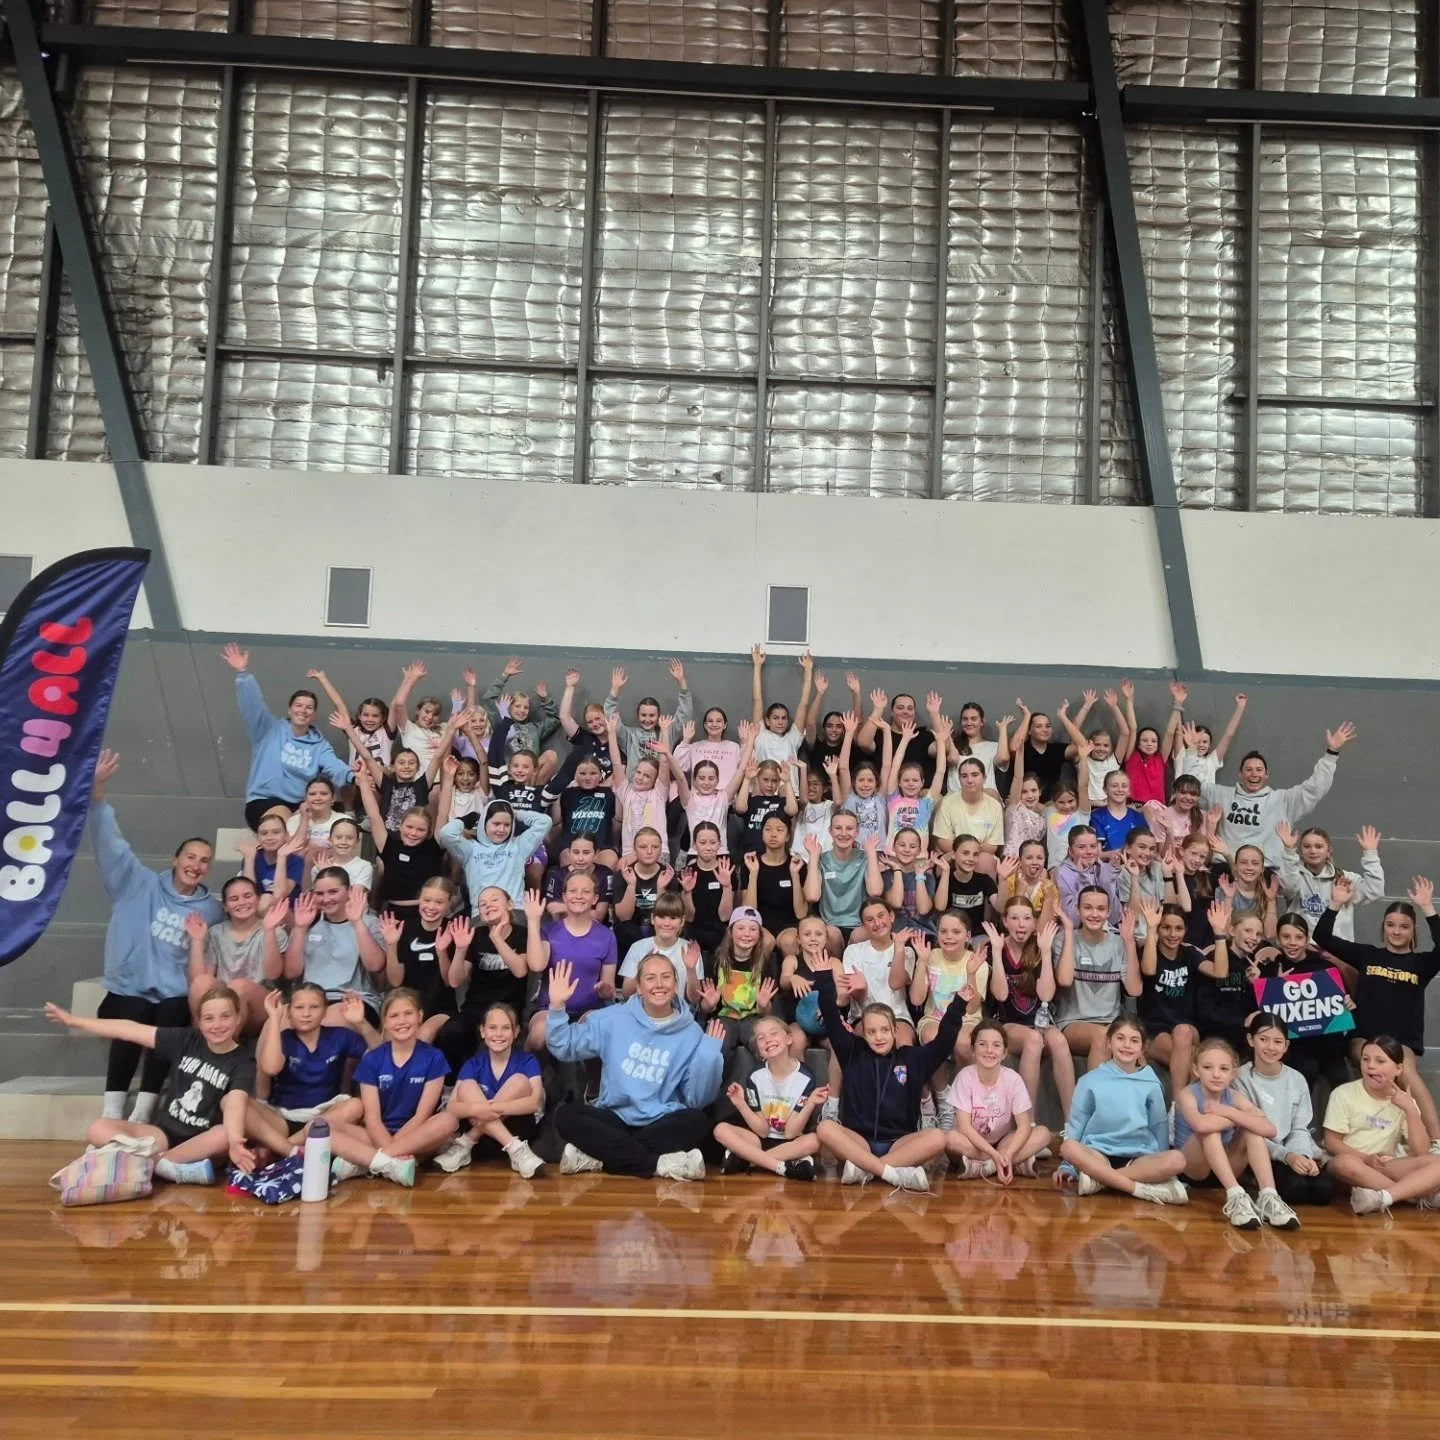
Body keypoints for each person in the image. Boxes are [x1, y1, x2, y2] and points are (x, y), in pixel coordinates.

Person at [86, 749, 222, 1123]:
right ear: (175, 859)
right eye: (190, 857)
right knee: (133, 1014)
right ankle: (113, 1109)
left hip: (171, 998)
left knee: (171, 1018)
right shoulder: (137, 884)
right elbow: (111, 844)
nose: (196, 865)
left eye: (204, 861)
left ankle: (144, 1110)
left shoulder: (212, 910)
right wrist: (97, 793)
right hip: (127, 993)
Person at [45, 986, 260, 1186]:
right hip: (162, 1135)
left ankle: (145, 1162)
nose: (217, 1025)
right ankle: (165, 1166)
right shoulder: (187, 1040)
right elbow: (129, 1029)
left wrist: (235, 1142)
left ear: (238, 1018)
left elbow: (236, 1103)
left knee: (224, 1133)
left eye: (225, 1016)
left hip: (202, 1141)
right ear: (199, 1022)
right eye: (209, 1018)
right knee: (98, 1128)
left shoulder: (243, 1060)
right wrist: (73, 1021)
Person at [548, 954, 726, 1179]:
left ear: (675, 984)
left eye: (666, 977)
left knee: (697, 1122)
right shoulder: (613, 1018)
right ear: (639, 987)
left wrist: (709, 1057)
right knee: (566, 1116)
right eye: (650, 978)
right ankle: (658, 1164)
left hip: (659, 1121)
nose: (659, 984)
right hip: (614, 1117)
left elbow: (696, 1100)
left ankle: (600, 1156)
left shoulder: (691, 1033)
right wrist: (557, 1006)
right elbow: (564, 1046)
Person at [811, 960, 966, 1192]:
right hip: (859, 1142)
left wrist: (958, 1005)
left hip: (899, 1144)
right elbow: (832, 1019)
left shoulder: (911, 1058)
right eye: (871, 1031)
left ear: (895, 1031)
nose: (878, 1037)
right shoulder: (852, 1052)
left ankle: (867, 1170)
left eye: (885, 1030)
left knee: (938, 1137)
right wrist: (824, 977)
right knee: (825, 1128)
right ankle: (889, 1173)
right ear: (864, 1034)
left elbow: (943, 1043)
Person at [1314, 874, 1440, 1146]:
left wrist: (1429, 909)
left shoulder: (1422, 963)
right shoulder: (1368, 955)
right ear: (1383, 927)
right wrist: (1335, 903)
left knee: (1405, 1071)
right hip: (1365, 1036)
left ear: (1413, 930)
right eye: (1390, 925)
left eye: (1404, 926)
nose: (1396, 931)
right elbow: (1321, 936)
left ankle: (1437, 1140)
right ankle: (1362, 1136)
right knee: (1374, 1061)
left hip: (1402, 1040)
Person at [328, 989, 457, 1186]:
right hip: (376, 1134)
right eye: (394, 1016)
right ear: (385, 1022)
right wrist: (388, 1143)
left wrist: (390, 1148)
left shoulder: (434, 1057)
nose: (401, 1021)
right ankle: (392, 1164)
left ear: (419, 1016)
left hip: (417, 1136)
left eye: (408, 1013)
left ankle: (368, 1161)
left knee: (448, 1120)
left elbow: (421, 1115)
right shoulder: (372, 1059)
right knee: (322, 1128)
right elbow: (372, 1119)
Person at [1054, 1016, 1188, 1204]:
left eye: (1134, 1040)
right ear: (1109, 1042)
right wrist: (1068, 1167)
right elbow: (1077, 1123)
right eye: (1120, 1038)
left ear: (1143, 1048)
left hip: (1138, 1158)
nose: (1127, 1045)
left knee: (1178, 1160)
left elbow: (1159, 1126)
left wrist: (1164, 1169)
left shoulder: (1151, 1083)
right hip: (1098, 1154)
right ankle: (1138, 1189)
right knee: (1068, 1147)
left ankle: (1101, 1180)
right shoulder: (1090, 1080)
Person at [1173, 1036, 1301, 1230]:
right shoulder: (1188, 1094)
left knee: (1252, 1130)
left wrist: (1226, 1111)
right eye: (1208, 1067)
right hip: (1194, 1170)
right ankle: (1236, 1196)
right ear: (1196, 1070)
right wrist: (1241, 1117)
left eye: (1224, 1069)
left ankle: (1269, 1196)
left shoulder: (1233, 1097)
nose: (1216, 1074)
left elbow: (1270, 1129)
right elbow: (1201, 1125)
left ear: (1233, 1073)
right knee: (1211, 1130)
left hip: (1227, 1169)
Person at [221, 643, 350, 829]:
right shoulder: (268, 729)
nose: (303, 710)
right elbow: (253, 705)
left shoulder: (319, 744)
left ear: (313, 715)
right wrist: (243, 673)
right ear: (289, 710)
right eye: (298, 705)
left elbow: (335, 767)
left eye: (309, 707)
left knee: (333, 826)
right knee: (288, 825)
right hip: (265, 801)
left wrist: (356, 777)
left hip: (300, 805)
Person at [1199, 721, 1356, 866]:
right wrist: (1192, 751)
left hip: (1266, 872)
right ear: (1240, 775)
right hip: (1224, 868)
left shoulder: (1283, 800)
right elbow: (1190, 786)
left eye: (1259, 770)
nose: (1254, 774)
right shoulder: (1221, 795)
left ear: (1266, 775)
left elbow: (1315, 788)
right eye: (1248, 770)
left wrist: (1331, 753)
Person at [1323, 1036, 1440, 1216]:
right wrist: (1366, 1159)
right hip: (1353, 1162)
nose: (1370, 1066)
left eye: (1380, 1061)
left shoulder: (1405, 1100)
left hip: (1386, 1164)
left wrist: (1410, 1109)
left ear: (1398, 1069)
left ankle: (1383, 1197)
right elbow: (1331, 1142)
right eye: (1365, 1059)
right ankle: (1414, 1195)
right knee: (1344, 1164)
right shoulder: (1343, 1093)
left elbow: (1421, 1152)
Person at [250, 984, 373, 1144]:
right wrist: (274, 1018)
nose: (306, 1014)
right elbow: (270, 1068)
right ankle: (293, 1146)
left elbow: (381, 1055)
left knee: (355, 1105)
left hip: (326, 1116)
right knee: (240, 1103)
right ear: (289, 1012)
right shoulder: (282, 1038)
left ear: (325, 1012)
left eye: (314, 1007)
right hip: (283, 1116)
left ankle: (287, 1146)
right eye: (299, 1007)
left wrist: (361, 1023)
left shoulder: (339, 1036)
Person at [1234, 1014, 1335, 1208]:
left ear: (1286, 1045)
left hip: (1291, 1149)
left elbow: (1299, 1127)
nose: (1271, 1047)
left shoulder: (1296, 1079)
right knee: (1294, 1189)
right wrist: (1287, 1157)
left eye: (1278, 1041)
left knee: (1324, 1189)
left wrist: (1303, 1156)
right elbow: (1249, 1132)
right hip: (1261, 1151)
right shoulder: (1240, 1077)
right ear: (1251, 1040)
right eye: (1263, 1039)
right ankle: (1255, 1181)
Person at [435, 1002, 546, 1178]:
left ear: (516, 1031)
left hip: (516, 1129)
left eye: (506, 1028)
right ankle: (515, 1149)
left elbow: (534, 1103)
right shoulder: (474, 1063)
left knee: (519, 1081)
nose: (498, 1034)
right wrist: (477, 1109)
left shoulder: (527, 1061)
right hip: (485, 1141)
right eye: (492, 1028)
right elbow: (452, 1107)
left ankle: (465, 1143)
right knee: (467, 1085)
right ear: (482, 1031)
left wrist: (488, 1110)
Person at [1054, 890, 1141, 1111]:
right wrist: (1068, 931)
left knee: (1135, 1047)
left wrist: (1129, 942)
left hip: (1111, 1023)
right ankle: (1093, 1112)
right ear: (1078, 910)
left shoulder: (1119, 942)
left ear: (1109, 912)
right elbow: (1064, 980)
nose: (1094, 914)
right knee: (1104, 1037)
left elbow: (1134, 989)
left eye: (1101, 909)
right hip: (1073, 1022)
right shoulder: (1065, 938)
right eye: (1088, 908)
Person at [713, 1014, 825, 1180]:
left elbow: (790, 1132)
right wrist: (741, 1104)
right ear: (759, 1049)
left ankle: (749, 1159)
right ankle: (782, 1166)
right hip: (759, 1140)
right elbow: (762, 1131)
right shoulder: (755, 1076)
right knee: (720, 1130)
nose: (768, 1040)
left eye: (774, 1033)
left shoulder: (805, 1077)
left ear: (788, 1039)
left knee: (814, 1141)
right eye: (761, 1038)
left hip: (790, 1142)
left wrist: (810, 1104)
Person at [985, 899, 1071, 1106]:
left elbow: (1046, 995)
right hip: (1007, 1023)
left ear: (1034, 923)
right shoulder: (994, 947)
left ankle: (1073, 1118)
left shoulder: (1040, 948)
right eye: (1014, 918)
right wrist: (996, 952)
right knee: (1033, 1040)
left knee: (1059, 1040)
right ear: (1005, 921)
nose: (1021, 924)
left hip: (1039, 1022)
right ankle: (1027, 1117)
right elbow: (1001, 995)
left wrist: (1047, 952)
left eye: (1026, 918)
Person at [943, 1019, 1053, 1181]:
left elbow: (1024, 1125)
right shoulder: (964, 1077)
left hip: (1003, 1141)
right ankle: (1008, 1163)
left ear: (1004, 1053)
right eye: (982, 1044)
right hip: (972, 1143)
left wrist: (1009, 1153)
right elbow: (964, 1127)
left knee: (1043, 1134)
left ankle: (989, 1166)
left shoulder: (1013, 1079)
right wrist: (993, 1154)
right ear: (973, 1049)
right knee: (950, 1140)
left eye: (996, 1045)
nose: (989, 1050)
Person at [277, 872, 386, 1025]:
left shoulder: (369, 922)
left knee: (324, 1020)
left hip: (354, 1000)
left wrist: (357, 922)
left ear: (349, 892)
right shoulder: (308, 924)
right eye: (320, 894)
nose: (326, 899)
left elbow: (375, 965)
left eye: (333, 892)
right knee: (275, 1022)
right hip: (311, 999)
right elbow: (291, 973)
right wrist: (300, 928)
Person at [525, 880, 618, 1054]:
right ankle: (529, 1070)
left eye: (586, 891)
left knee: (597, 1030)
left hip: (590, 1009)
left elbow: (608, 985)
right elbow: (536, 965)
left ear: (595, 898)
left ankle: (591, 1074)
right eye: (573, 891)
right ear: (564, 897)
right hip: (550, 1008)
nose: (579, 896)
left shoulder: (607, 936)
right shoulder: (549, 930)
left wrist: (605, 990)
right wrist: (532, 920)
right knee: (539, 1033)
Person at [1136, 900, 1217, 1097]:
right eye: (1166, 927)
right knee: (1200, 1062)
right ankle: (1185, 1103)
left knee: (1183, 1032)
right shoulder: (1149, 951)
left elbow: (1220, 972)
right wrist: (1151, 929)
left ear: (1185, 930)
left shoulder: (1189, 953)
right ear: (1159, 928)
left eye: (1178, 929)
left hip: (1187, 1028)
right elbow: (1149, 970)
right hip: (1155, 1031)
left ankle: (1178, 1103)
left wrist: (1220, 935)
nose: (1172, 934)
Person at [378, 878, 467, 1045]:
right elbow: (395, 981)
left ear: (449, 904)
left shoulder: (454, 931)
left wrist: (442, 952)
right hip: (407, 1005)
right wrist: (391, 945)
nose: (431, 907)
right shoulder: (404, 929)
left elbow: (450, 982)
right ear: (419, 899)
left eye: (439, 902)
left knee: (422, 1037)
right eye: (426, 900)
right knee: (388, 1041)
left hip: (440, 1007)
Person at [185, 876, 272, 1034]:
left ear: (258, 899)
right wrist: (197, 941)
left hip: (260, 1005)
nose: (241, 902)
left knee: (239, 987)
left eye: (247, 896)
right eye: (234, 899)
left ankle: (228, 1045)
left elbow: (275, 974)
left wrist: (270, 931)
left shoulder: (271, 930)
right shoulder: (216, 932)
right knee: (202, 982)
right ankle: (199, 1042)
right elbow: (197, 981)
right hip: (224, 1006)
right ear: (225, 906)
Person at [354, 767, 447, 914]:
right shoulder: (389, 845)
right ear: (400, 826)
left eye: (420, 830)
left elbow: (443, 814)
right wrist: (363, 779)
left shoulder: (433, 847)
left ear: (428, 832)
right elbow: (374, 816)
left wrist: (449, 775)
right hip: (391, 913)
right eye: (409, 827)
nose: (413, 833)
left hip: (425, 913)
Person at [1275, 822, 1384, 941]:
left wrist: (1370, 854)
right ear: (1301, 851)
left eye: (1318, 846)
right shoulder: (1294, 876)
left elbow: (1375, 891)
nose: (1312, 851)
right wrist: (1289, 851)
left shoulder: (1345, 879)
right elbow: (1288, 887)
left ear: (1329, 852)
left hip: (1336, 949)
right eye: (1307, 846)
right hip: (1300, 947)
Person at [438, 797, 552, 909]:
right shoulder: (470, 849)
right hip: (482, 913)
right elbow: (446, 833)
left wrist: (514, 813)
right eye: (496, 824)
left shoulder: (519, 847)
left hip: (514, 911)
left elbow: (545, 822)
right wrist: (467, 819)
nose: (501, 830)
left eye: (507, 825)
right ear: (484, 822)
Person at [803, 814, 884, 955]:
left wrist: (871, 853)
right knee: (831, 934)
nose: (844, 833)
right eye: (838, 828)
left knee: (860, 935)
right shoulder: (821, 859)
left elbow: (875, 891)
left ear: (857, 832)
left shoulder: (865, 858)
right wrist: (813, 857)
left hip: (859, 924)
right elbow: (812, 896)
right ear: (830, 831)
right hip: (830, 924)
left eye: (849, 828)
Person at [603, 660, 693, 778]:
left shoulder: (668, 732)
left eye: (651, 715)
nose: (647, 719)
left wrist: (682, 682)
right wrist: (615, 690)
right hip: (634, 785)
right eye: (643, 715)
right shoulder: (629, 735)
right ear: (638, 716)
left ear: (658, 716)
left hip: (660, 785)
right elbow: (611, 716)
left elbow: (684, 714)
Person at [1164, 685, 1247, 785]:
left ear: (1210, 745)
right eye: (1197, 741)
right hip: (1181, 795)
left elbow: (1228, 734)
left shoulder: (1212, 761)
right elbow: (1177, 728)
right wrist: (1178, 702)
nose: (1200, 745)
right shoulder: (1182, 755)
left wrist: (1240, 707)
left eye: (1205, 742)